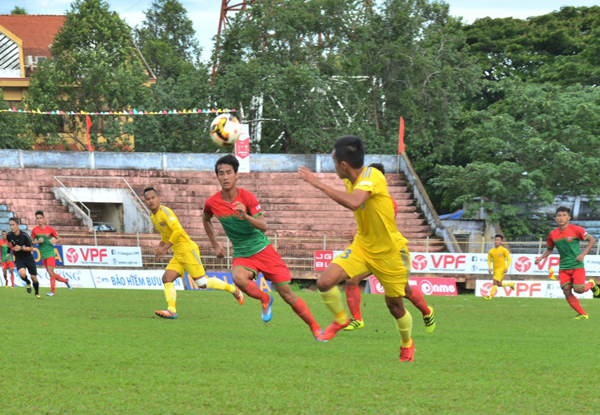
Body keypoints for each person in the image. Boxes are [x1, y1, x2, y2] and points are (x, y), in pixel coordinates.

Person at [299, 136, 417, 361]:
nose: (334, 168)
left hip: (389, 252)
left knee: (395, 306)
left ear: (343, 165)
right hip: (362, 246)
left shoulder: (373, 175)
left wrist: (316, 182)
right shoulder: (349, 180)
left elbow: (354, 202)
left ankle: (406, 342)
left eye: (335, 163)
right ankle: (342, 318)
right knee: (324, 282)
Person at [202, 155, 322, 340]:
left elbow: (264, 226)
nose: (225, 177)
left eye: (229, 173)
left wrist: (246, 215)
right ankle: (265, 299)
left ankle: (315, 327)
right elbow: (206, 219)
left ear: (236, 175)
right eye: (221, 173)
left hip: (263, 250)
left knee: (288, 295)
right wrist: (215, 244)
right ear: (217, 177)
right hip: (242, 252)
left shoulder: (247, 197)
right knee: (237, 277)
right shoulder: (212, 202)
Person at [343, 163, 435, 334]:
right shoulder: (363, 195)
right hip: (370, 251)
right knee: (352, 280)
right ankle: (357, 319)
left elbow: (381, 226)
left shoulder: (387, 201)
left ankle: (427, 311)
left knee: (404, 290)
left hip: (388, 252)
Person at [143, 187, 244, 319]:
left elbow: (178, 231)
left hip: (188, 251)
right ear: (145, 201)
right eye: (148, 199)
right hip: (178, 254)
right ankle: (171, 310)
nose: (151, 201)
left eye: (153, 198)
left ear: (158, 199)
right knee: (167, 278)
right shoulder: (153, 216)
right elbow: (166, 234)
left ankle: (233, 289)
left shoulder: (165, 213)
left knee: (202, 283)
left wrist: (166, 247)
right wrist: (160, 246)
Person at [535, 206, 599, 319]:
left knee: (579, 290)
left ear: (568, 218)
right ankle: (583, 314)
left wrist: (583, 254)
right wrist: (541, 258)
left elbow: (592, 240)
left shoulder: (576, 229)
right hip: (564, 267)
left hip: (577, 265)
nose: (561, 218)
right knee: (566, 290)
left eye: (564, 215)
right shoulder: (553, 234)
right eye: (559, 215)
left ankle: (592, 284)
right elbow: (550, 249)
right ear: (556, 218)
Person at [31, 210, 71, 296]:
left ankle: (52, 292)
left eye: (41, 218)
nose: (39, 220)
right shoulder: (34, 230)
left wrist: (55, 241)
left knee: (50, 270)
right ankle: (66, 281)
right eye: (37, 218)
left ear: (44, 219)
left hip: (51, 253)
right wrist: (37, 242)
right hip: (43, 254)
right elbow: (31, 242)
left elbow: (59, 239)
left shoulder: (50, 229)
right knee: (51, 273)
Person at [6, 217, 40, 298]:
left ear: (18, 226)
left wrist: (21, 248)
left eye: (13, 225)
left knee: (34, 278)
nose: (11, 227)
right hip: (19, 259)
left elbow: (31, 248)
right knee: (22, 275)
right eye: (10, 225)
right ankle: (28, 282)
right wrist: (8, 252)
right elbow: (8, 243)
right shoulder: (9, 235)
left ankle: (37, 293)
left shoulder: (25, 236)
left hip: (28, 258)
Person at [484, 234, 515, 300]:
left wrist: (507, 267)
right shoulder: (491, 251)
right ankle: (510, 284)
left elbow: (509, 259)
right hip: (495, 270)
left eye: (498, 240)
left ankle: (490, 297)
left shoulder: (504, 250)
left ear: (501, 242)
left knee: (494, 282)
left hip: (502, 269)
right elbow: (489, 260)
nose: (496, 241)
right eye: (495, 240)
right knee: (499, 284)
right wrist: (490, 268)